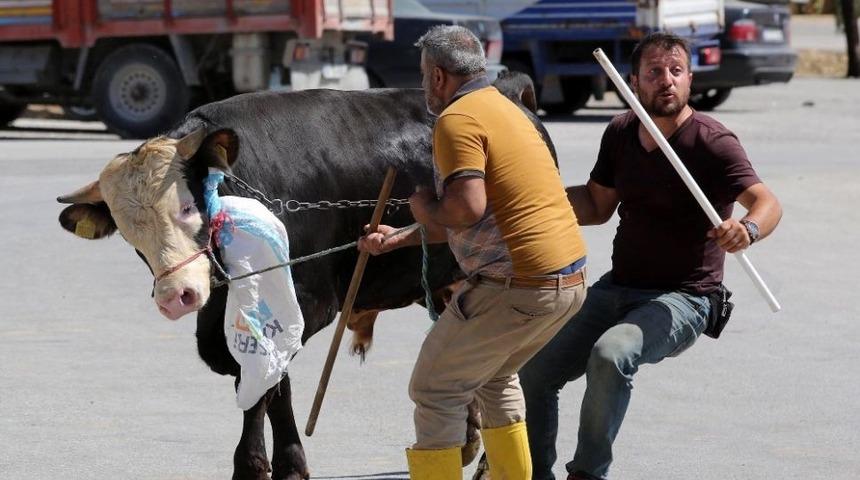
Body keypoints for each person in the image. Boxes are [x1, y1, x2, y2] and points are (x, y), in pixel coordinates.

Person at [518, 32, 783, 480]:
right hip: (618, 287)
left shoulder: (712, 142)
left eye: (676, 71)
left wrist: (747, 229)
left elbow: (767, 202)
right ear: (633, 81)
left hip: (685, 297)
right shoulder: (621, 132)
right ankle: (532, 473)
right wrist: (536, 199)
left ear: (690, 78)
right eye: (655, 72)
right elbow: (598, 207)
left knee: (610, 355)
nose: (667, 80)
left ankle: (587, 474)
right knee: (536, 370)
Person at [357, 25, 588, 480]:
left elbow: (464, 209)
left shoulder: (458, 118)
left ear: (440, 77)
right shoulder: (506, 109)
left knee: (436, 387)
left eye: (425, 76)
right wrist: (400, 237)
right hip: (566, 284)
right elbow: (485, 220)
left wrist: (422, 207)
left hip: (519, 286)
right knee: (494, 378)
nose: (425, 86)